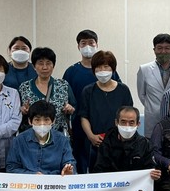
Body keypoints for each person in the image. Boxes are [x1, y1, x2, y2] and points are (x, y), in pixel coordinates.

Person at [63, 30, 121, 174]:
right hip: (80, 124)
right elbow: (65, 98)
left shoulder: (109, 72)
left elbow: (118, 95)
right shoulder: (71, 72)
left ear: (97, 45)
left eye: (91, 43)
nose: (87, 46)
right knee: (81, 160)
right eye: (83, 43)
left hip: (106, 127)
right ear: (78, 46)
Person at [78, 50, 133, 170]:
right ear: (93, 70)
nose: (102, 70)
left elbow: (130, 116)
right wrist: (91, 136)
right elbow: (84, 117)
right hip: (96, 144)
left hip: (120, 144)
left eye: (106, 67)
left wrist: (124, 135)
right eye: (98, 67)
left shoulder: (123, 90)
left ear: (113, 69)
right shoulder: (88, 91)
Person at [18, 47, 76, 134]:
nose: (45, 67)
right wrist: (22, 111)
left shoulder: (63, 85)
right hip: (31, 136)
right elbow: (16, 113)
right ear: (34, 66)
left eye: (48, 63)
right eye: (40, 63)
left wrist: (70, 109)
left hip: (58, 136)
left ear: (53, 66)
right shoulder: (24, 87)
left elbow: (74, 108)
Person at [137, 33, 170, 137]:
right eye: (159, 48)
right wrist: (152, 107)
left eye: (167, 48)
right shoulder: (144, 69)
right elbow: (141, 95)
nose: (163, 51)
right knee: (152, 144)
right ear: (154, 50)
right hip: (153, 118)